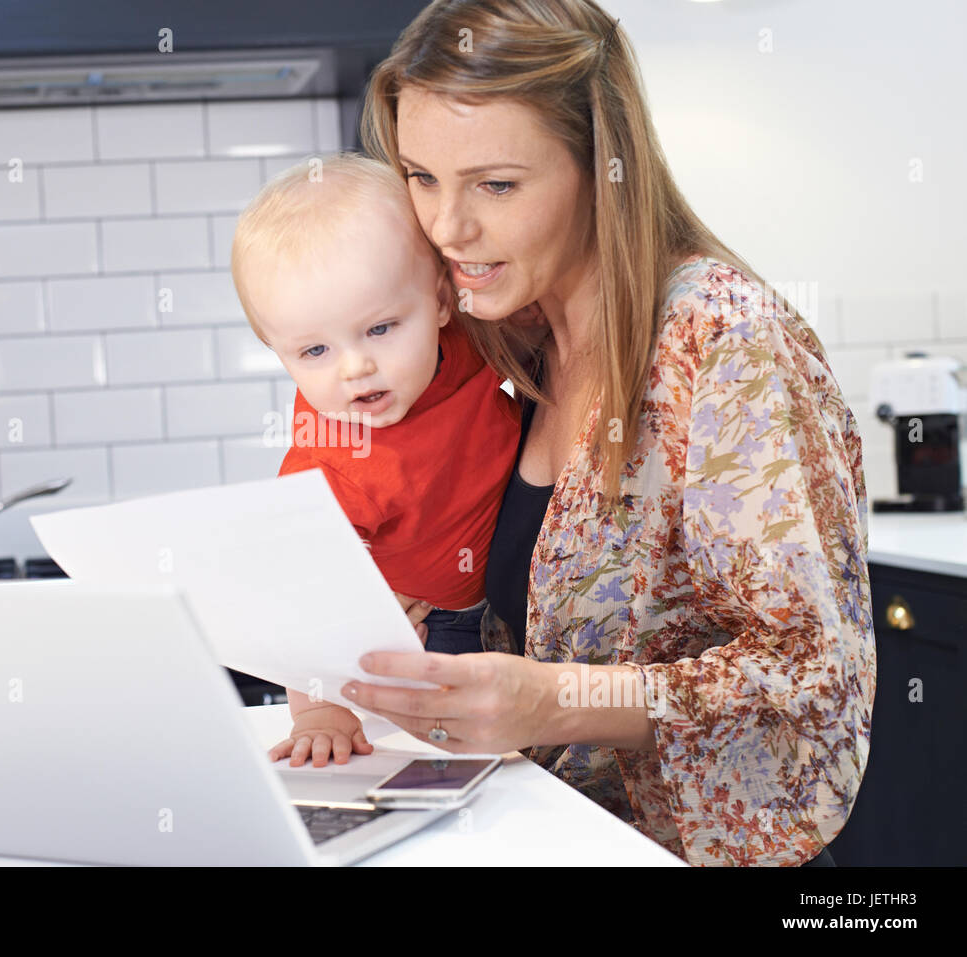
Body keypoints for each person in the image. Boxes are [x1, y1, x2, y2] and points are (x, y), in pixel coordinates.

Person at [294, 0, 876, 867]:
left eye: (496, 185)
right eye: (421, 177)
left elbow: (812, 677)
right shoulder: (507, 339)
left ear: (603, 167)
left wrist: (557, 700)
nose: (447, 227)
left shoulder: (724, 340)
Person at [230, 153, 523, 767]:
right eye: (314, 350)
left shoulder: (469, 343)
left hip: (519, 599)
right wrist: (320, 711)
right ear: (277, 351)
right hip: (432, 628)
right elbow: (304, 602)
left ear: (441, 303)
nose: (355, 367)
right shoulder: (329, 473)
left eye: (381, 328)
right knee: (463, 765)